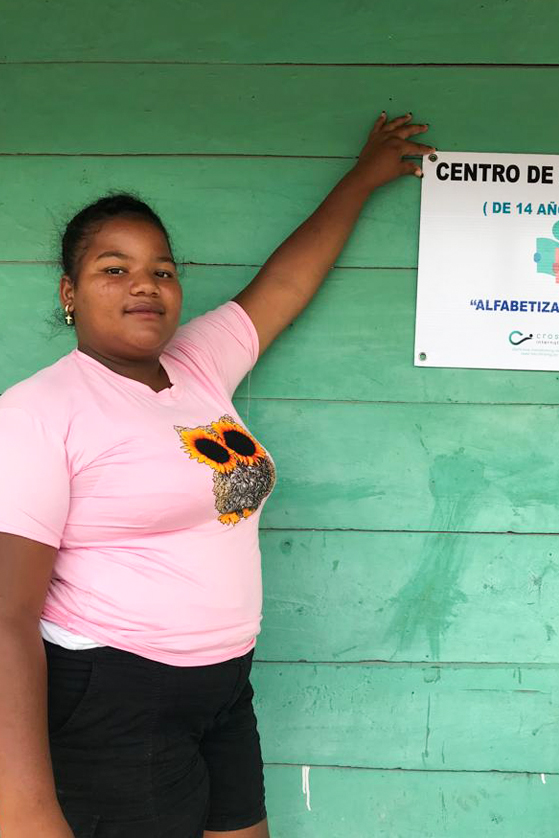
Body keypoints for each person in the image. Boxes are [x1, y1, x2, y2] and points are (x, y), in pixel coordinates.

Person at [0, 112, 433, 838]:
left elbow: (288, 281)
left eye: (161, 270)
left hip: (224, 687)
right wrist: (22, 807)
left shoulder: (197, 366)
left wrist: (362, 178)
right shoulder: (40, 411)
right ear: (69, 291)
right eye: (115, 269)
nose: (146, 286)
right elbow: (7, 617)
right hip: (116, 695)